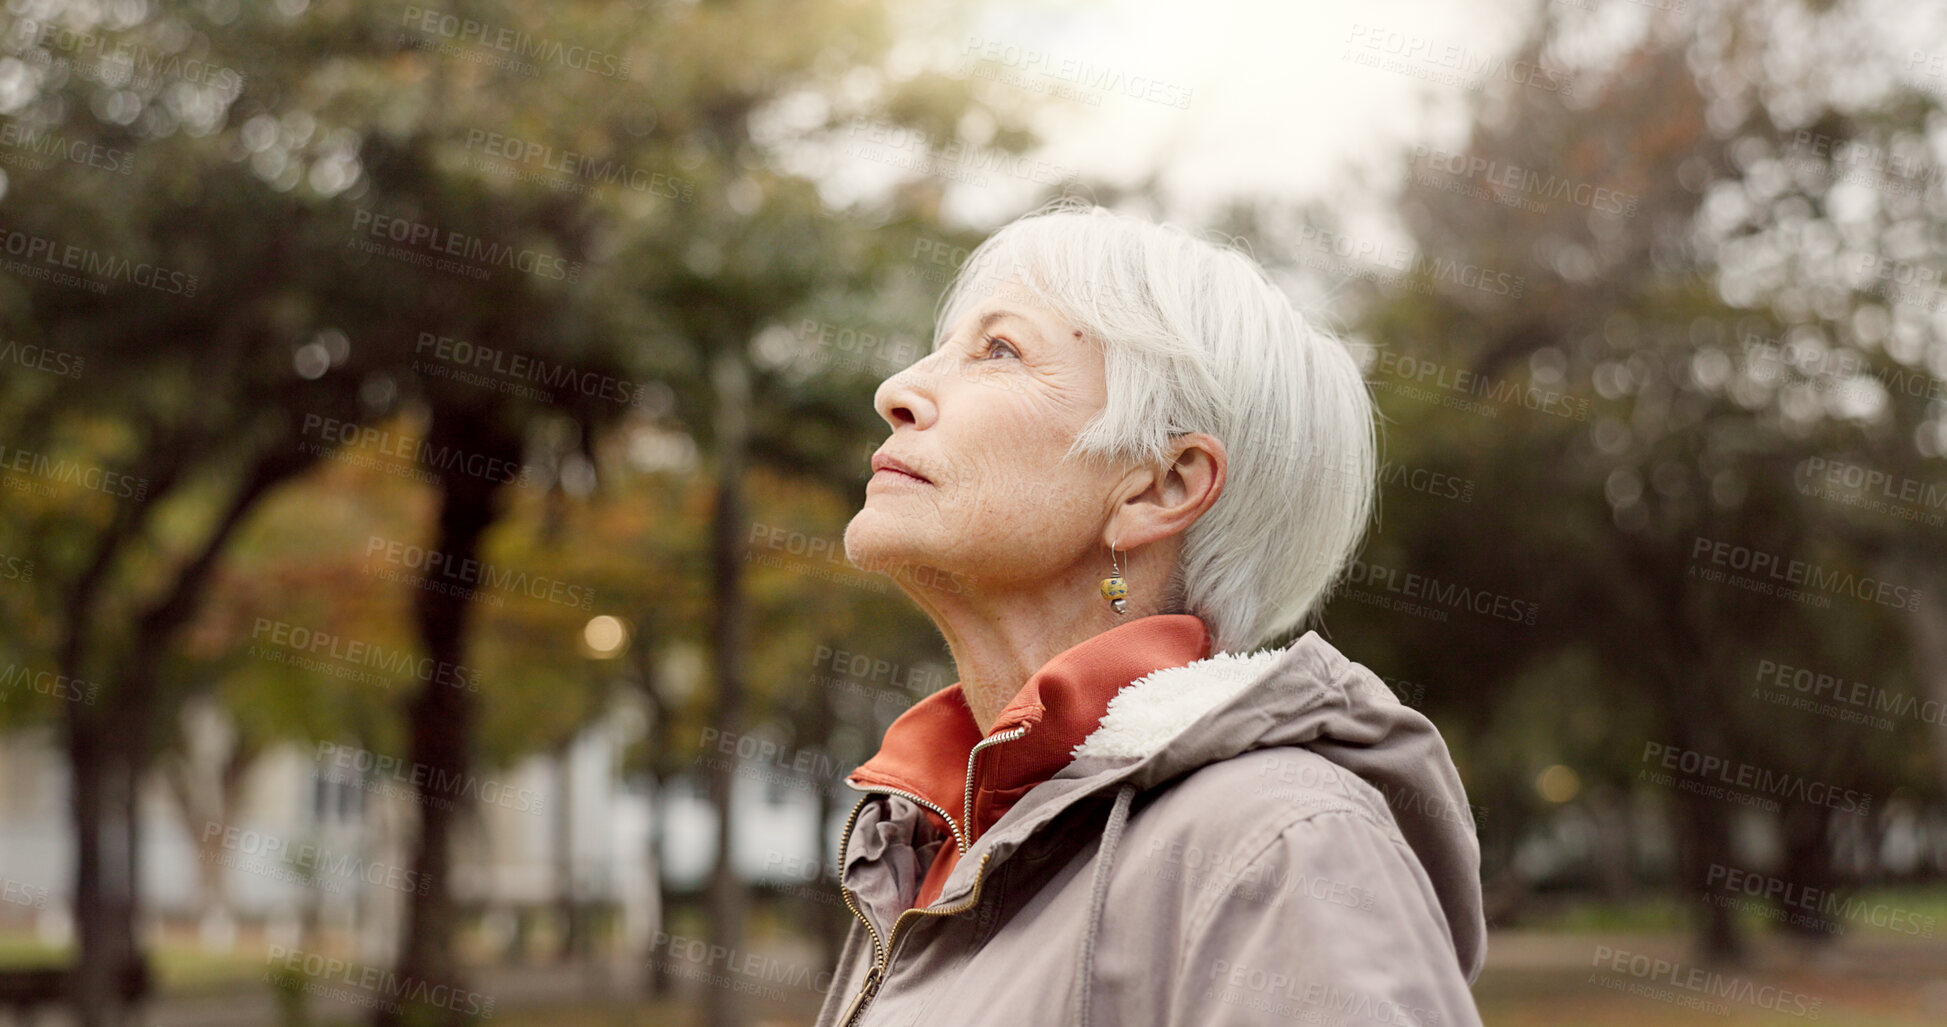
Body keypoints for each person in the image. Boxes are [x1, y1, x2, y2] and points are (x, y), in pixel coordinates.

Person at [818, 201, 1485, 1027]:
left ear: (1160, 485)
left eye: (998, 349)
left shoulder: (1281, 842)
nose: (898, 390)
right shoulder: (926, 841)